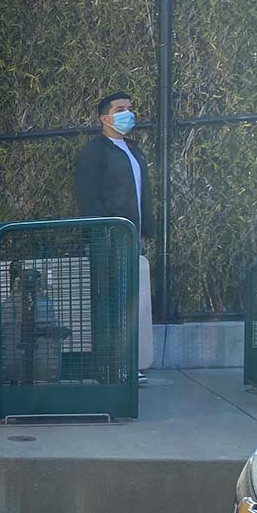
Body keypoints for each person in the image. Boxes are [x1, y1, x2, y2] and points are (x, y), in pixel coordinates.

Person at [74, 91, 155, 382]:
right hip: (109, 239)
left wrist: (146, 230)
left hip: (132, 237)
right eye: (121, 109)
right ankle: (111, 367)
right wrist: (100, 234)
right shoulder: (94, 153)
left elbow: (141, 192)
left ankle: (124, 364)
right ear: (104, 118)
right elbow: (89, 197)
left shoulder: (133, 149)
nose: (128, 114)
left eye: (130, 108)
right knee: (111, 303)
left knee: (127, 301)